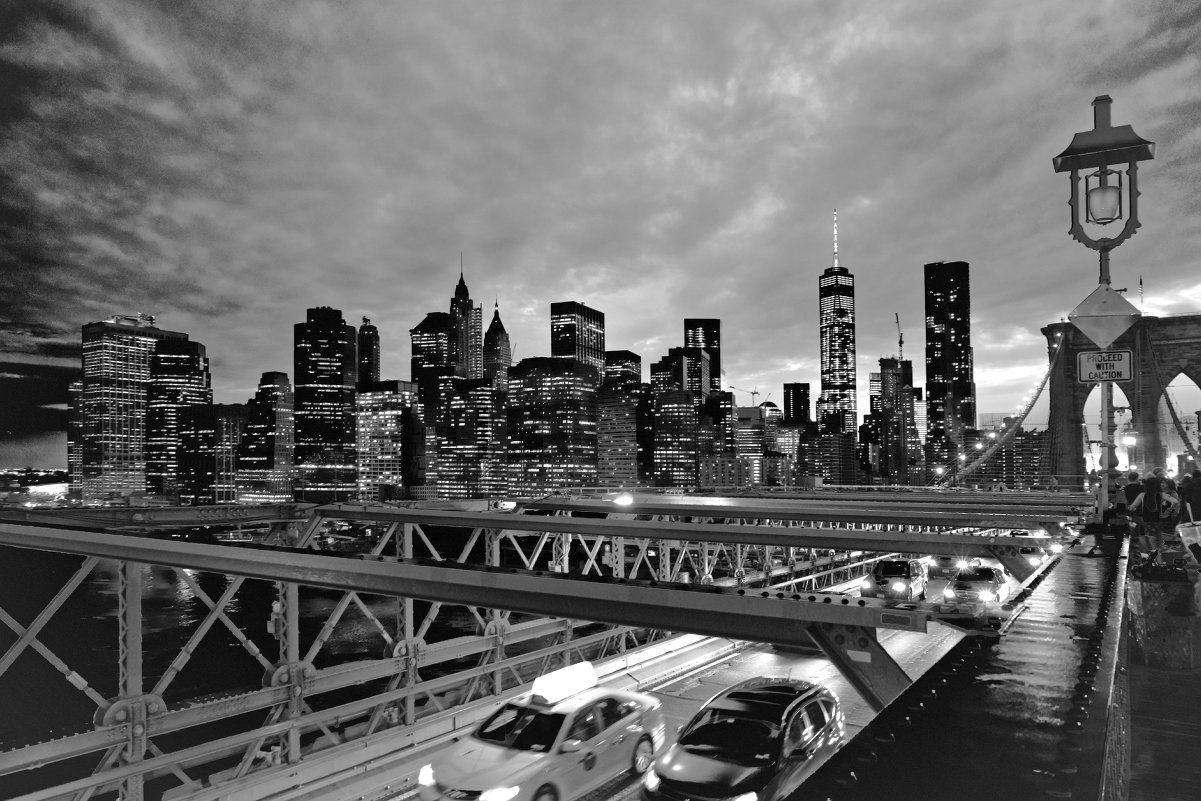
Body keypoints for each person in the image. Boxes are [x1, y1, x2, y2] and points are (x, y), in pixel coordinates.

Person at [1130, 474, 1180, 559]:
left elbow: (1131, 507)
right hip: (1159, 523)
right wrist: (1167, 511)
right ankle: (1158, 560)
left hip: (1146, 524)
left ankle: (1149, 560)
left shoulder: (1142, 495)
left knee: (1147, 543)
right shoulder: (1162, 494)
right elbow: (1175, 501)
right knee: (1158, 542)